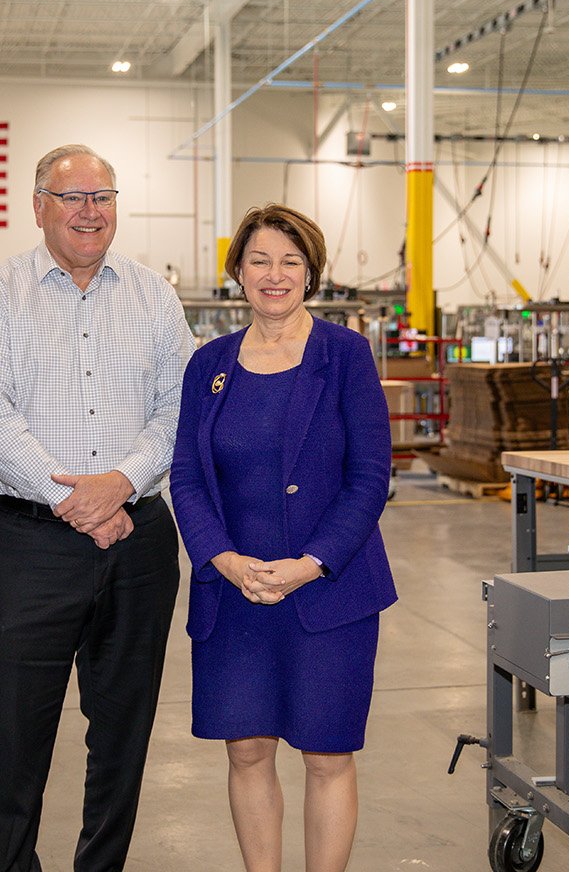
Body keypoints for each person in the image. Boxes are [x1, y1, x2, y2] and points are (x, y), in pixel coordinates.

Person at [0, 143, 194, 872]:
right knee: (11, 737)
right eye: (72, 198)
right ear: (38, 208)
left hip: (139, 542)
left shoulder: (155, 296)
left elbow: (180, 405)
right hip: (27, 547)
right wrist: (77, 500)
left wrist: (119, 483)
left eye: (102, 197)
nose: (90, 212)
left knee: (122, 732)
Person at [169, 204, 398, 872]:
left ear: (311, 272)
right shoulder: (207, 366)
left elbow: (369, 476)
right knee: (246, 752)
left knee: (327, 753)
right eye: (260, 260)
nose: (275, 275)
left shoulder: (345, 355)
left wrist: (310, 564)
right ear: (238, 271)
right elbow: (185, 476)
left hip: (329, 597)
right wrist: (226, 560)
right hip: (234, 594)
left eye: (290, 261)